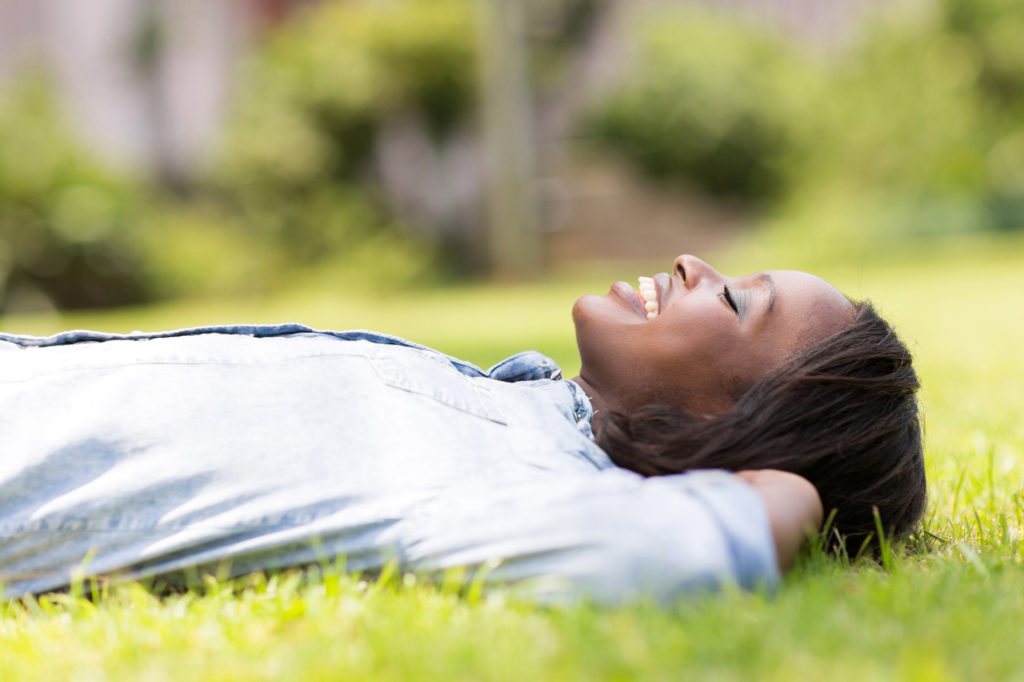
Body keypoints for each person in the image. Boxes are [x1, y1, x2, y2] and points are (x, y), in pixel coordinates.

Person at [0, 255, 925, 604]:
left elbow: (691, 545)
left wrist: (793, 481)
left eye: (734, 299)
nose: (692, 261)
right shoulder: (512, 418)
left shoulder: (523, 485)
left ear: (737, 422)